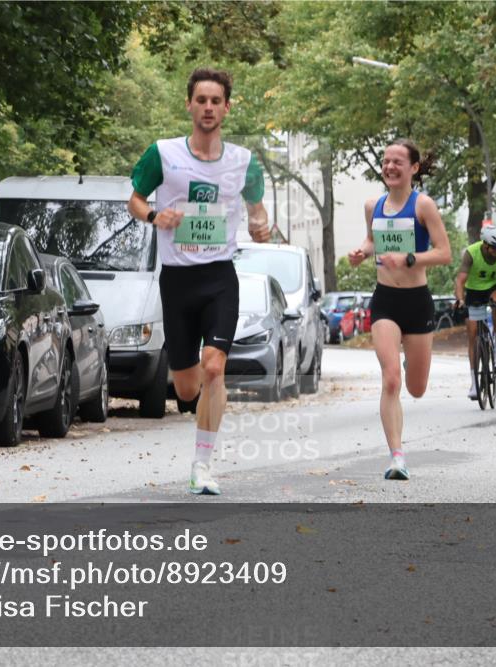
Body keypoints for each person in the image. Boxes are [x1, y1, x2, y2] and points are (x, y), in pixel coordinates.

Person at [127, 67, 270, 495]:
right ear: (189, 104)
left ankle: (202, 465)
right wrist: (155, 215)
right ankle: (195, 408)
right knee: (187, 386)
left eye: (216, 101)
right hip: (177, 281)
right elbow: (134, 198)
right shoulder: (164, 153)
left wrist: (261, 225)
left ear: (227, 107)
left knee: (214, 368)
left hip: (220, 277)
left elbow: (257, 210)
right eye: (201, 100)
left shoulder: (244, 162)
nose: (208, 107)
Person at [348, 139, 452, 481]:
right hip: (386, 301)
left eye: (398, 161)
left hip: (417, 300)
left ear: (413, 168)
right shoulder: (372, 205)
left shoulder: (423, 206)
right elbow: (372, 239)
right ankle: (397, 456)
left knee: (416, 388)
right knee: (391, 378)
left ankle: (411, 357)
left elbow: (444, 253)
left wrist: (409, 258)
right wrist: (362, 251)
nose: (390, 166)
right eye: (386, 161)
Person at [453, 224, 496, 400]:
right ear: (485, 245)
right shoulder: (471, 253)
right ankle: (474, 383)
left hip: (494, 286)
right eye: (494, 248)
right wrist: (459, 300)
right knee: (472, 335)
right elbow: (460, 281)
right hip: (473, 291)